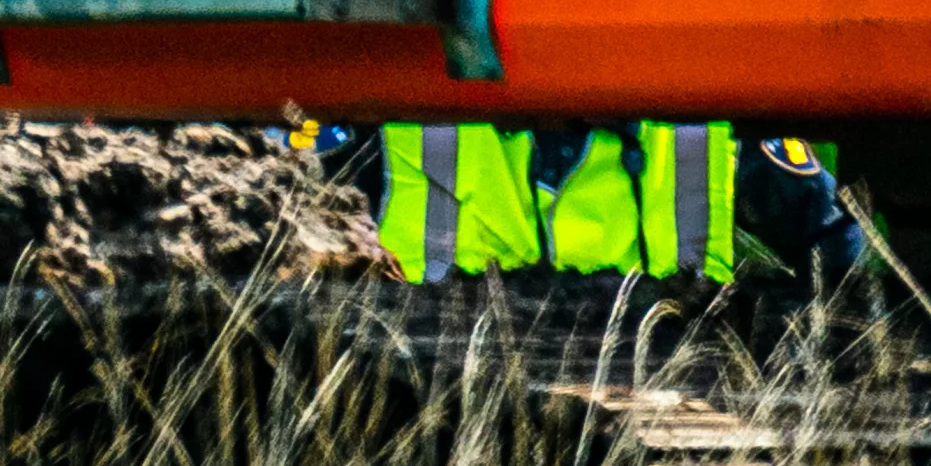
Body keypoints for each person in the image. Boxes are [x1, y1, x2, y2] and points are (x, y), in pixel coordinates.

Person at [354, 120, 862, 285]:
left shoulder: (700, 112)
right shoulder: (396, 100)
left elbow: (836, 252)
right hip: (427, 378)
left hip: (670, 381)